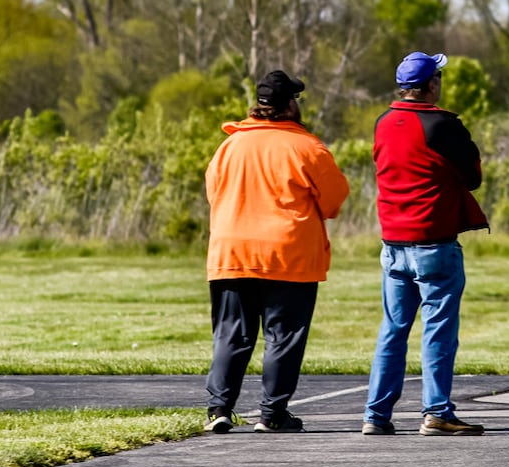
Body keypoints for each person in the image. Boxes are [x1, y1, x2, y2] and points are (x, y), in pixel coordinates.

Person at [203, 69, 350, 434]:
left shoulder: (229, 147)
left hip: (232, 253)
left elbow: (213, 195)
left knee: (231, 334)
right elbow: (333, 202)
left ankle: (219, 409)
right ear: (290, 105)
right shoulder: (308, 148)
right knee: (283, 335)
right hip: (289, 254)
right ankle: (272, 413)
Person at [363, 51, 489, 436]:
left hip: (394, 241)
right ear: (432, 85)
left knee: (393, 329)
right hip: (433, 241)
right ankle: (436, 411)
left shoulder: (384, 123)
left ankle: (376, 415)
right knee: (438, 330)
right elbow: (472, 177)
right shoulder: (442, 125)